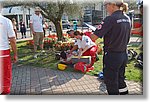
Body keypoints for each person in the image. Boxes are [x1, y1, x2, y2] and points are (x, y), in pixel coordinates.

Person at [91, 0, 131, 95]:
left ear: (112, 5)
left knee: (111, 82)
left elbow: (94, 37)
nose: (105, 7)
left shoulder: (110, 19)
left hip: (112, 56)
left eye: (106, 5)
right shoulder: (127, 18)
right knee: (120, 80)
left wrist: (90, 33)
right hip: (123, 54)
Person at [0, 4, 18, 94]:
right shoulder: (6, 21)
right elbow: (12, 40)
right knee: (5, 77)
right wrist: (15, 54)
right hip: (3, 52)